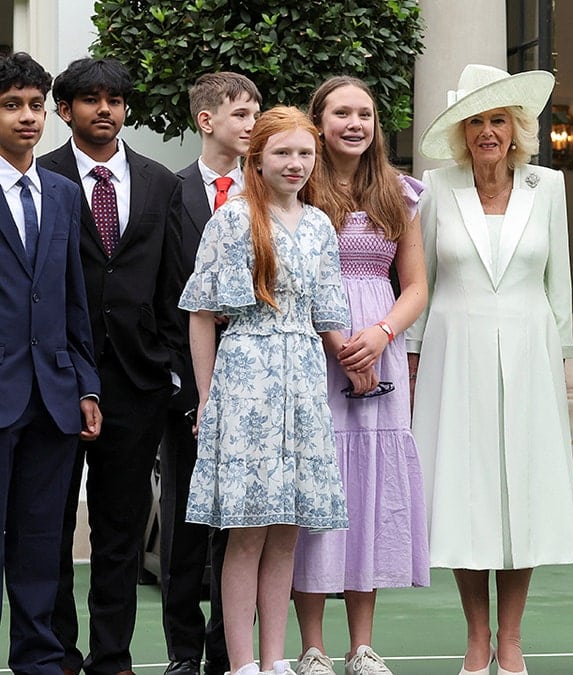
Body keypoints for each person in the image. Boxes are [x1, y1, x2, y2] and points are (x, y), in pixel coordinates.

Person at [410, 64, 573, 675]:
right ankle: (477, 637)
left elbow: (558, 281)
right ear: (462, 131)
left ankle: (512, 639)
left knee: (521, 496)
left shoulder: (548, 187)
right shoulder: (436, 187)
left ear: (517, 129)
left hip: (531, 355)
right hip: (455, 356)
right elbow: (422, 281)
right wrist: (412, 358)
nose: (488, 131)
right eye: (477, 121)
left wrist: (566, 357)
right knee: (466, 492)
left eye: (499, 120)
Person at [178, 106, 350, 675]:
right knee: (247, 533)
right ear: (257, 158)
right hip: (246, 378)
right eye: (282, 152)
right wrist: (207, 396)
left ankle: (275, 660)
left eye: (305, 153)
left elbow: (328, 317)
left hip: (303, 380)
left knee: (286, 533)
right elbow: (200, 312)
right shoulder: (232, 218)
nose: (295, 163)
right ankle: (242, 663)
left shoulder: (320, 225)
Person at [40, 57, 186, 675]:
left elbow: (175, 283)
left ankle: (112, 658)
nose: (105, 109)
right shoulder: (40, 177)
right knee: (48, 528)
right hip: (57, 378)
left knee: (120, 530)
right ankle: (58, 654)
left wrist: (171, 368)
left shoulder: (160, 182)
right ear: (65, 109)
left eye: (115, 100)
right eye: (91, 99)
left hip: (136, 379)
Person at [292, 75, 429, 675]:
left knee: (370, 491)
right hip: (315, 348)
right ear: (319, 122)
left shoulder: (398, 192)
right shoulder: (300, 184)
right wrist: (340, 342)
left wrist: (380, 335)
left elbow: (417, 286)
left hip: (381, 345)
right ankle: (312, 647)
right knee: (318, 490)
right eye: (342, 113)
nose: (355, 124)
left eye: (365, 114)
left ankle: (362, 646)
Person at [0, 51, 101, 675]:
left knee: (41, 543)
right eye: (12, 105)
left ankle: (38, 660)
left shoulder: (62, 193)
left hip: (54, 396)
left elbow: (72, 298)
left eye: (36, 105)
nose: (28, 116)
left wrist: (86, 385)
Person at [161, 71, 262, 675]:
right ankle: (183, 651)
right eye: (241, 114)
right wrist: (179, 383)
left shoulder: (269, 194)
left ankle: (230, 650)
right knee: (183, 518)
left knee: (240, 523)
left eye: (256, 113)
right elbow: (160, 289)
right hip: (183, 379)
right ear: (207, 120)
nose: (253, 124)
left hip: (256, 380)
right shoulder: (167, 192)